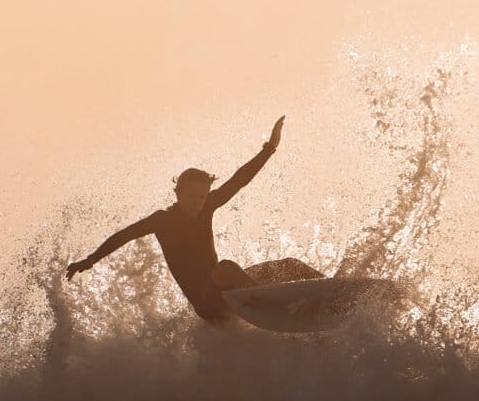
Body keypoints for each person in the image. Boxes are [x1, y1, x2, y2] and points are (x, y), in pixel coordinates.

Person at [65, 116, 324, 323]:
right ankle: (277, 308)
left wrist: (270, 147)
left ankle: (330, 292)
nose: (198, 201)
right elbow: (123, 236)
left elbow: (239, 180)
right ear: (178, 194)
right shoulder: (162, 220)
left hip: (230, 291)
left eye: (202, 196)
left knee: (288, 265)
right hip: (207, 303)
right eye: (192, 196)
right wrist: (90, 260)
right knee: (225, 268)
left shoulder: (208, 205)